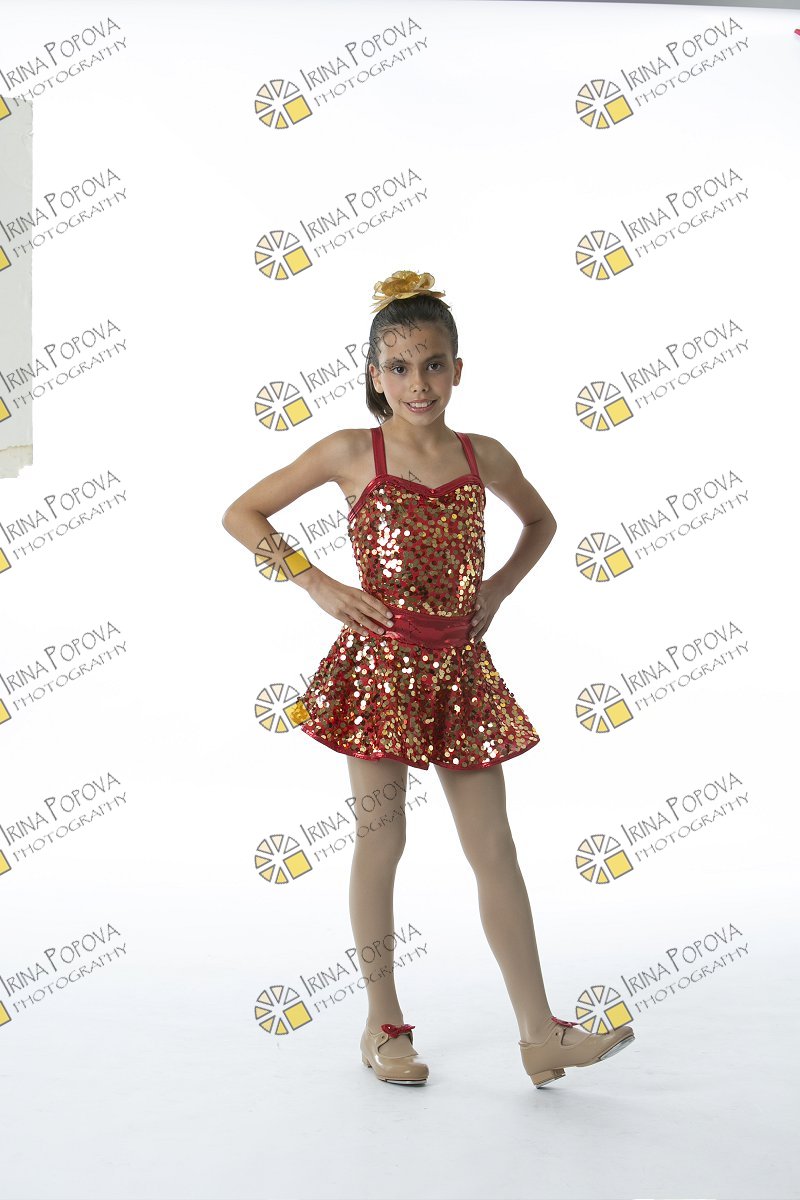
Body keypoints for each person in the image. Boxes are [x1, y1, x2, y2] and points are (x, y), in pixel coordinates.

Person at [222, 269, 634, 1089]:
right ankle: (382, 1025)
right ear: (375, 374)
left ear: (458, 369)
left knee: (496, 849)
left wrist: (499, 587)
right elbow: (242, 513)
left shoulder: (483, 456)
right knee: (384, 839)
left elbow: (542, 520)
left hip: (459, 669)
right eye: (402, 366)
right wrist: (316, 583)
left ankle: (540, 1035)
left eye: (435, 364)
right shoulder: (351, 451)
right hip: (378, 669)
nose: (420, 383)